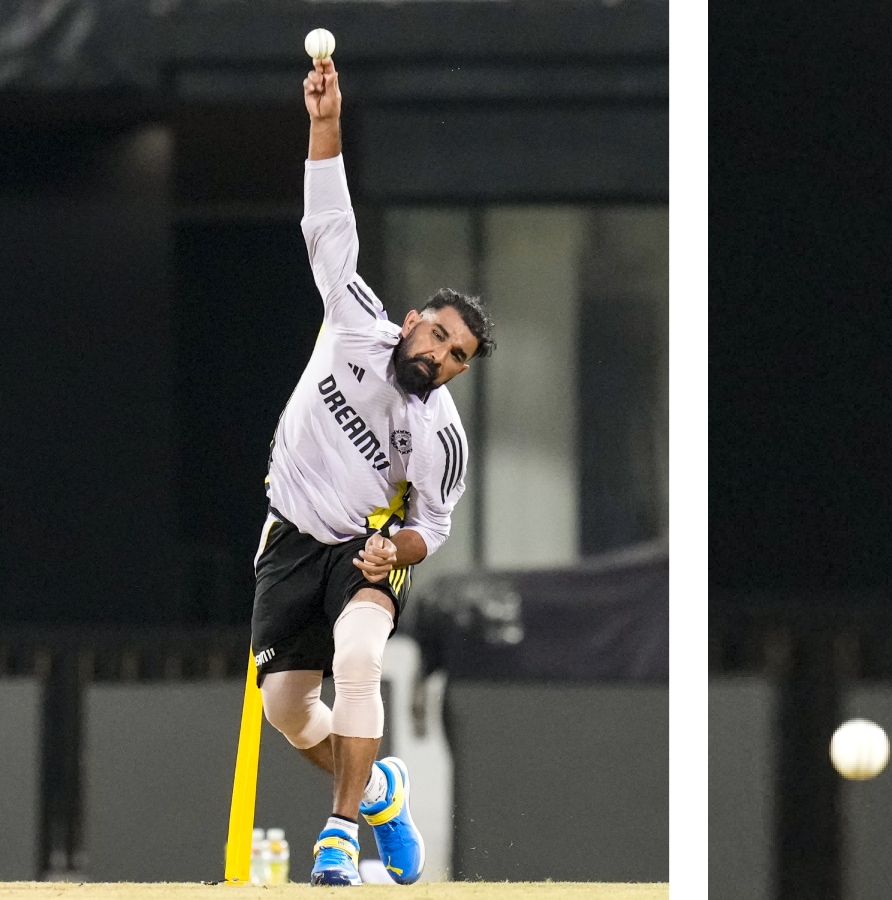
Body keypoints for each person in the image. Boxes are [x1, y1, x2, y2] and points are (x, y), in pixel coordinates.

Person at [250, 55, 495, 886]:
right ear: (414, 321)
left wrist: (399, 554)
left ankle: (339, 837)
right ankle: (383, 791)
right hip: (288, 536)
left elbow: (434, 525)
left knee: (358, 658)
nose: (442, 359)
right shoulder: (356, 322)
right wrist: (325, 122)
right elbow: (328, 225)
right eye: (439, 339)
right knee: (288, 712)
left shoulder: (442, 437)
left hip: (364, 551)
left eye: (458, 359)